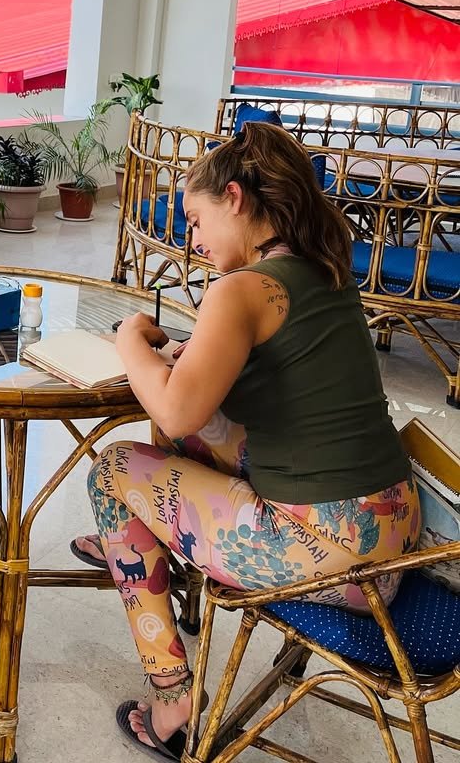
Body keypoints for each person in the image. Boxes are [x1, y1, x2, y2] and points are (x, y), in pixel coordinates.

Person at [79, 122, 419, 760]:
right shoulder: (322, 266)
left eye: (197, 220)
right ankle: (135, 536)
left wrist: (128, 340)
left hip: (332, 560)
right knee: (201, 430)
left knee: (112, 471)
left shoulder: (239, 290)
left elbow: (175, 411)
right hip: (394, 529)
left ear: (234, 198)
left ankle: (173, 701)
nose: (193, 239)